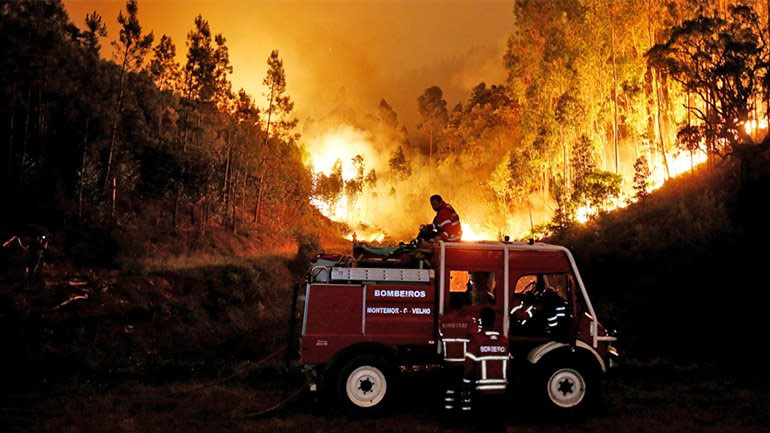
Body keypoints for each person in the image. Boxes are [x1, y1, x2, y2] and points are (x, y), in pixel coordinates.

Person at [462, 307, 510, 432]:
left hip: (483, 392)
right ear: (494, 321)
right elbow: (508, 366)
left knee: (483, 425)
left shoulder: (477, 340)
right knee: (498, 425)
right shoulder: (504, 341)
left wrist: (466, 384)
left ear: (481, 321)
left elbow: (469, 367)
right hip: (501, 391)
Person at [438, 295, 478, 418]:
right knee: (465, 390)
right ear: (462, 305)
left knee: (449, 390)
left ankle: (449, 416)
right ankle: (465, 416)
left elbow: (440, 334)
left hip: (448, 361)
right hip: (463, 362)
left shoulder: (443, 320)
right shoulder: (468, 320)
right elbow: (475, 335)